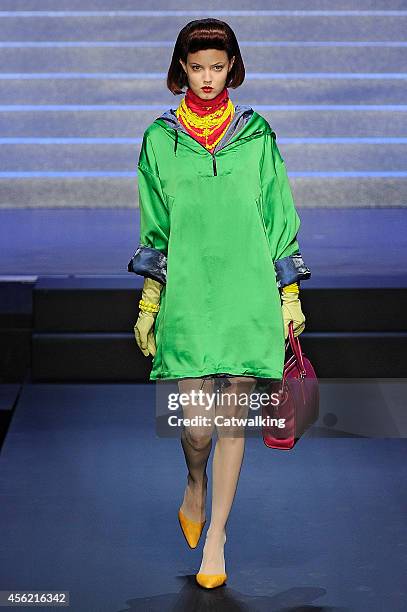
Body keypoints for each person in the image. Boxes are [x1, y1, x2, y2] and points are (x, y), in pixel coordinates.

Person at [128, 18, 311, 589]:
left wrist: (288, 292)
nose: (207, 78)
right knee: (198, 427)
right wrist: (150, 300)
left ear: (233, 67)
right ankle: (195, 482)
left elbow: (277, 213)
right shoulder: (160, 139)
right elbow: (156, 225)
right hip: (187, 291)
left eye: (217, 66)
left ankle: (217, 537)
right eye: (197, 66)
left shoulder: (256, 135)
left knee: (232, 418)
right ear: (181, 68)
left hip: (246, 292)